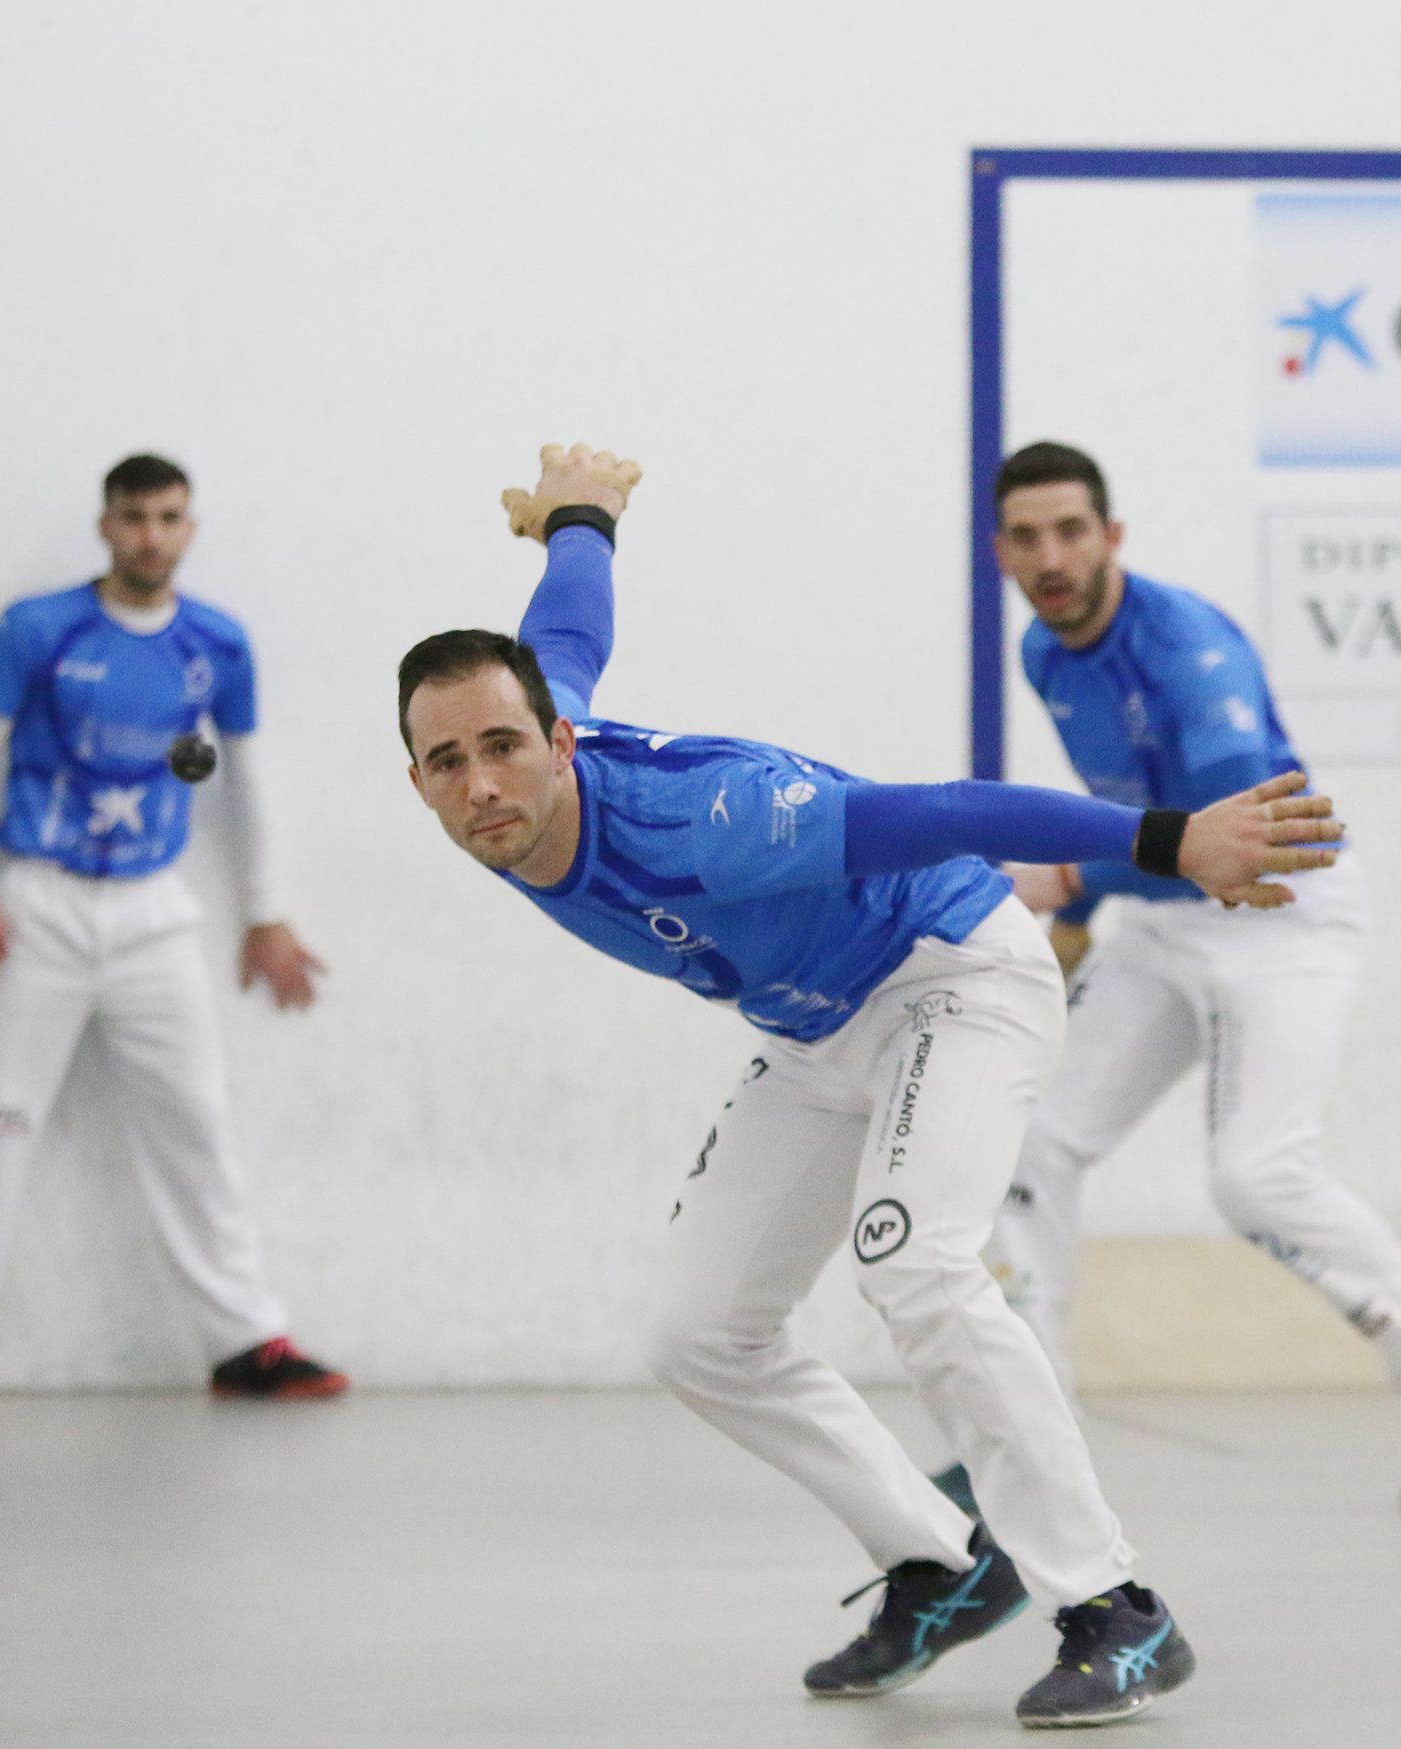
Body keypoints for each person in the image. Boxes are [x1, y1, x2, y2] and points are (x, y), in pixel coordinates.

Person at [400, 443, 1343, 1727]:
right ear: (420, 779)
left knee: (915, 1263)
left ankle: (1117, 1605)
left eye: (503, 748)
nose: (482, 784)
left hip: (951, 978)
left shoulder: (708, 817)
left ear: (559, 744)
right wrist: (583, 516)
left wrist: (1170, 842)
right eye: (445, 764)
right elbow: (560, 625)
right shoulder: (504, 774)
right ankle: (942, 1567)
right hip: (811, 1036)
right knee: (695, 1334)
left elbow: (946, 809)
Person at [979, 441, 1401, 1515]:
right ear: (1000, 551)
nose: (1051, 557)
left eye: (1071, 531)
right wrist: (1090, 907)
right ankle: (1029, 1429)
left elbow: (1243, 842)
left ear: (1111, 539)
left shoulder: (1186, 650)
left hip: (1282, 908)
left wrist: (1060, 878)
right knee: (1029, 1141)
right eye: (1028, 537)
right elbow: (1146, 817)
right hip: (1165, 914)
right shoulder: (1043, 654)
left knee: (1257, 1177)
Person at [0, 453, 344, 1403]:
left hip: (153, 913)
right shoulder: (37, 629)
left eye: (168, 517)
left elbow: (246, 776)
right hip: (36, 902)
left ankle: (246, 1342)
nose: (149, 534)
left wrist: (266, 914)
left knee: (197, 1122)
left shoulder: (218, 643)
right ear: (105, 525)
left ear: (189, 526)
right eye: (133, 516)